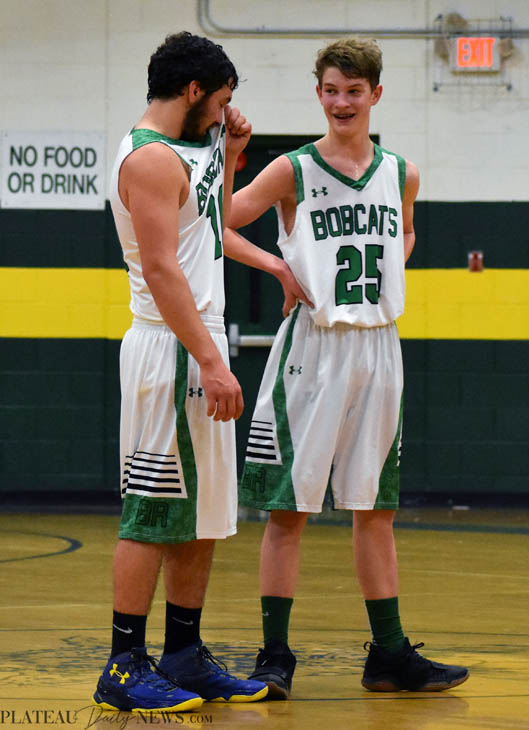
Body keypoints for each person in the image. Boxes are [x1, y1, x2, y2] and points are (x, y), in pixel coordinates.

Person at [224, 37, 470, 699]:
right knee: (288, 510)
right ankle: (274, 655)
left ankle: (388, 654)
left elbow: (406, 231)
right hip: (313, 347)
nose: (341, 102)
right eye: (331, 90)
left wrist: (390, 264)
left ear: (374, 95)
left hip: (379, 347)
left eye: (353, 91)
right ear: (318, 93)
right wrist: (277, 265)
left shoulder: (401, 173)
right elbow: (218, 220)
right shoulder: (292, 170)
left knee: (375, 507)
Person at [92, 31, 274, 714]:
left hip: (195, 345)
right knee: (151, 510)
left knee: (202, 513)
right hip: (170, 347)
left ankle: (183, 654)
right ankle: (121, 666)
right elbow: (163, 268)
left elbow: (210, 224)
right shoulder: (147, 159)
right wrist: (210, 359)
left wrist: (231, 153)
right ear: (193, 90)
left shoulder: (190, 148)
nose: (224, 112)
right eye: (220, 101)